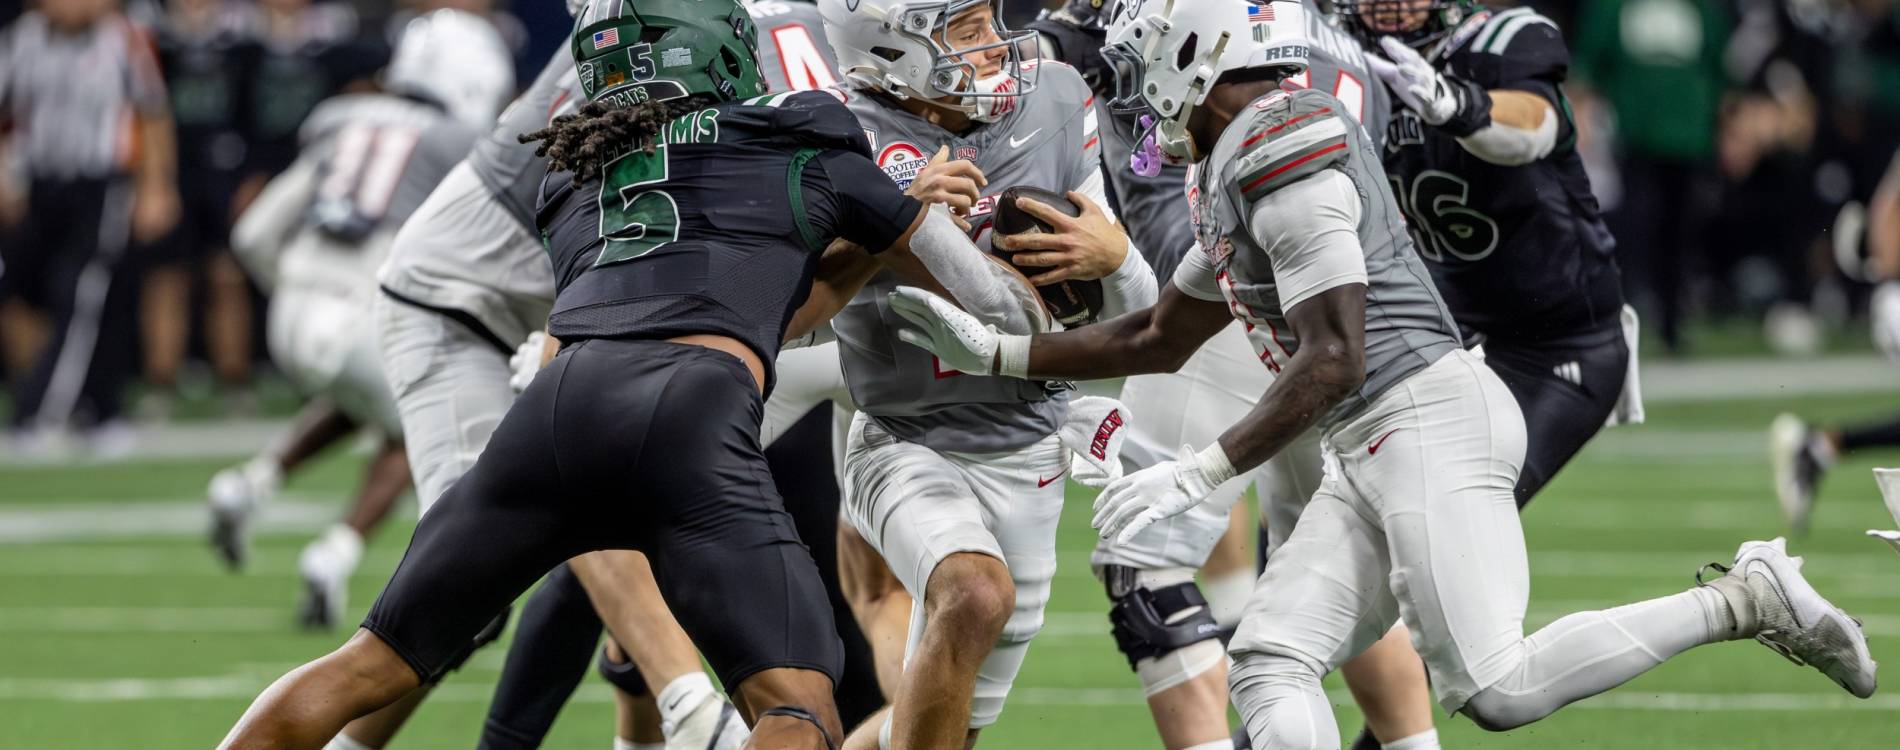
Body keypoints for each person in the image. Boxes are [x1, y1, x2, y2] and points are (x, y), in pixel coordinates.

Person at [885, 2, 1877, 749]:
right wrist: (996, 354)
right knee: (1271, 659)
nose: (1127, 86)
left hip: (1422, 422)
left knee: (1496, 688)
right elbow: (1156, 332)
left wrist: (1196, 472)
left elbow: (1336, 353)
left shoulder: (1280, 140)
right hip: (1371, 438)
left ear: (1191, 55)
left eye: (1140, 61)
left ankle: (1745, 598)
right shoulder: (1223, 157)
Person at [213, 0, 1054, 747]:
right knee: (797, 711)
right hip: (691, 413)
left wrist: (865, 253)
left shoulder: (575, 179)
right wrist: (915, 224)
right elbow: (994, 305)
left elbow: (758, 300)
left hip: (554, 407)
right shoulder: (803, 139)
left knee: (368, 663)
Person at [1032, 4, 1435, 749]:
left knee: (1143, 559)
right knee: (1328, 565)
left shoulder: (1173, 24)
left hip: (1222, 297)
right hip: (1338, 312)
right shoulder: (1325, 36)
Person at [816, 0, 1158, 745]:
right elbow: (798, 309)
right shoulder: (836, 131)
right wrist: (888, 224)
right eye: (967, 32)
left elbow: (1133, 321)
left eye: (990, 21)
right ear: (889, 47)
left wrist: (1120, 262)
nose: (999, 44)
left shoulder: (1058, 96)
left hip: (1029, 444)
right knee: (973, 594)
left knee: (952, 723)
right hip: (906, 438)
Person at [213, 8, 512, 638]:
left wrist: (298, 287)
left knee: (372, 395)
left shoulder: (339, 120)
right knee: (429, 410)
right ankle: (345, 554)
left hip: (291, 309)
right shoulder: (457, 145)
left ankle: (252, 483)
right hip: (364, 309)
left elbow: (252, 234)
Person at [1347, 0, 1638, 508]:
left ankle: (1732, 593)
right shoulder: (1342, 59)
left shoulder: (1501, 42)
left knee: (1452, 517)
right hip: (1445, 339)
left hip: (1558, 345)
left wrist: (1455, 105)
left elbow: (1532, 126)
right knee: (1343, 502)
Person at [0, 0, 179, 453]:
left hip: (100, 185)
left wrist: (157, 186)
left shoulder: (125, 37)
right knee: (29, 297)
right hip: (38, 185)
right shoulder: (22, 39)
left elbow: (154, 114)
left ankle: (41, 413)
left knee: (82, 293)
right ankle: (96, 409)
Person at [140, 0, 259, 419]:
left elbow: (254, 110)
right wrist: (153, 180)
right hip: (172, 169)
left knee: (227, 276)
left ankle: (234, 381)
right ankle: (162, 382)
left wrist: (251, 172)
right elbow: (146, 109)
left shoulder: (241, 38)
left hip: (225, 170)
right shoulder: (153, 36)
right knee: (166, 280)